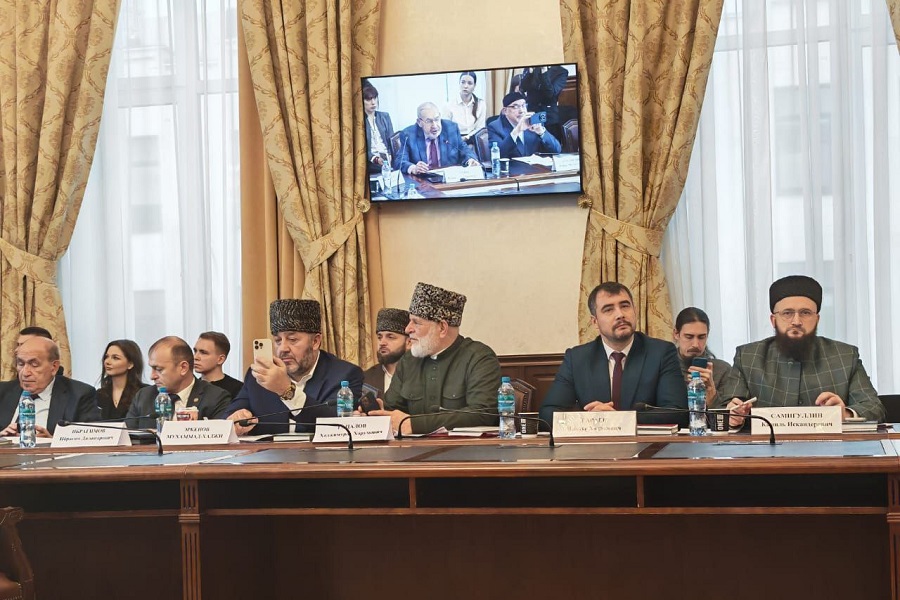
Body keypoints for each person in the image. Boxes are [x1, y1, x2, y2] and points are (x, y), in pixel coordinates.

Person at [717, 275, 885, 425]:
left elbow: (874, 408)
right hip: (766, 449)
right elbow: (726, 408)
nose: (796, 321)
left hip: (830, 448)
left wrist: (845, 414)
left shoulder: (845, 356)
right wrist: (734, 416)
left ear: (817, 319)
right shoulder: (748, 357)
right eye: (787, 313)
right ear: (773, 320)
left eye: (805, 313)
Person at [539, 282, 688, 426]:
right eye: (608, 309)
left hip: (645, 442)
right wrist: (589, 420)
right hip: (595, 443)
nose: (620, 314)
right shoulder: (577, 358)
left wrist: (615, 419)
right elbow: (547, 414)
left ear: (635, 311)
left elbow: (678, 412)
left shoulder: (661, 352)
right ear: (595, 322)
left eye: (625, 306)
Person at [368, 282, 501, 435]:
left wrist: (415, 424)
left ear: (442, 328)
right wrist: (379, 413)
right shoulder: (409, 360)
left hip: (464, 448)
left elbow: (483, 414)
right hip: (412, 448)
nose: (408, 329)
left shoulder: (479, 358)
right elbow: (393, 409)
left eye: (416, 322)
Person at [226, 299, 363, 435]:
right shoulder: (259, 374)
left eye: (292, 340)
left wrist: (286, 390)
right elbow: (226, 420)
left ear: (315, 342)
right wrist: (235, 420)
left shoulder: (345, 374)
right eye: (278, 340)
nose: (282, 349)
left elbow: (338, 425)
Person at [0, 337, 99, 437]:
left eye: (34, 365)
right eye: (21, 364)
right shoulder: (2, 391)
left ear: (54, 367)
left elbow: (91, 440)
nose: (25, 373)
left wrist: (50, 441)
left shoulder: (79, 395)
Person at [125, 336, 231, 429]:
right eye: (152, 369)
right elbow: (128, 438)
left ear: (183, 368)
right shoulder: (143, 397)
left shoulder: (215, 398)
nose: (152, 376)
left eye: (159, 369)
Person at [396, 102, 480, 175]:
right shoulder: (408, 135)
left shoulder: (451, 128)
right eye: (429, 121)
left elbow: (464, 149)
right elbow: (399, 161)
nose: (435, 125)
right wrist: (413, 168)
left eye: (436, 119)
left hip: (448, 179)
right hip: (423, 181)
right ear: (419, 122)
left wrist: (470, 160)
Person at [672, 307, 731, 406]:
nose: (695, 344)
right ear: (676, 334)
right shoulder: (664, 368)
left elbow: (730, 413)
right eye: (689, 337)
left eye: (701, 337)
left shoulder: (723, 370)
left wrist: (711, 393)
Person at [487, 92, 562, 159]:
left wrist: (541, 132)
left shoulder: (533, 122)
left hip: (534, 168)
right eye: (515, 107)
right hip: (511, 169)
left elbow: (557, 150)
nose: (521, 111)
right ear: (505, 111)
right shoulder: (495, 127)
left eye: (523, 106)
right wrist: (516, 131)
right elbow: (497, 155)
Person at [363, 308, 411, 397]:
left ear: (409, 343)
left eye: (390, 337)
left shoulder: (421, 375)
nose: (382, 343)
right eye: (379, 337)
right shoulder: (365, 378)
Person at [97, 339, 148, 420]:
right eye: (106, 357)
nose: (107, 362)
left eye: (115, 358)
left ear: (130, 364)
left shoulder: (144, 393)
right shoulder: (99, 394)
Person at [519, 65, 569, 142]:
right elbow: (523, 88)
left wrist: (544, 72)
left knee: (550, 143)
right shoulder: (531, 68)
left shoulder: (561, 71)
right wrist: (530, 73)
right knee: (532, 144)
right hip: (532, 113)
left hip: (549, 116)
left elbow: (550, 94)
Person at [193, 331, 244, 399]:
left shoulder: (239, 390)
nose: (195, 357)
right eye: (195, 351)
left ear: (220, 359)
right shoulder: (190, 387)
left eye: (203, 353)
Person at [443, 71, 485, 144]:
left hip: (474, 138)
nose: (465, 86)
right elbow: (446, 128)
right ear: (459, 83)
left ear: (474, 86)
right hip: (455, 140)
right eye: (463, 82)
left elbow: (480, 128)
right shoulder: (449, 104)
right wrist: (459, 139)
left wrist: (467, 137)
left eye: (469, 83)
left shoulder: (481, 104)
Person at [363, 83, 395, 174]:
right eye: (368, 99)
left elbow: (391, 140)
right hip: (371, 161)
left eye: (375, 98)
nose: (373, 102)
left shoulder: (385, 116)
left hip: (387, 157)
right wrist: (375, 159)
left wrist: (390, 155)